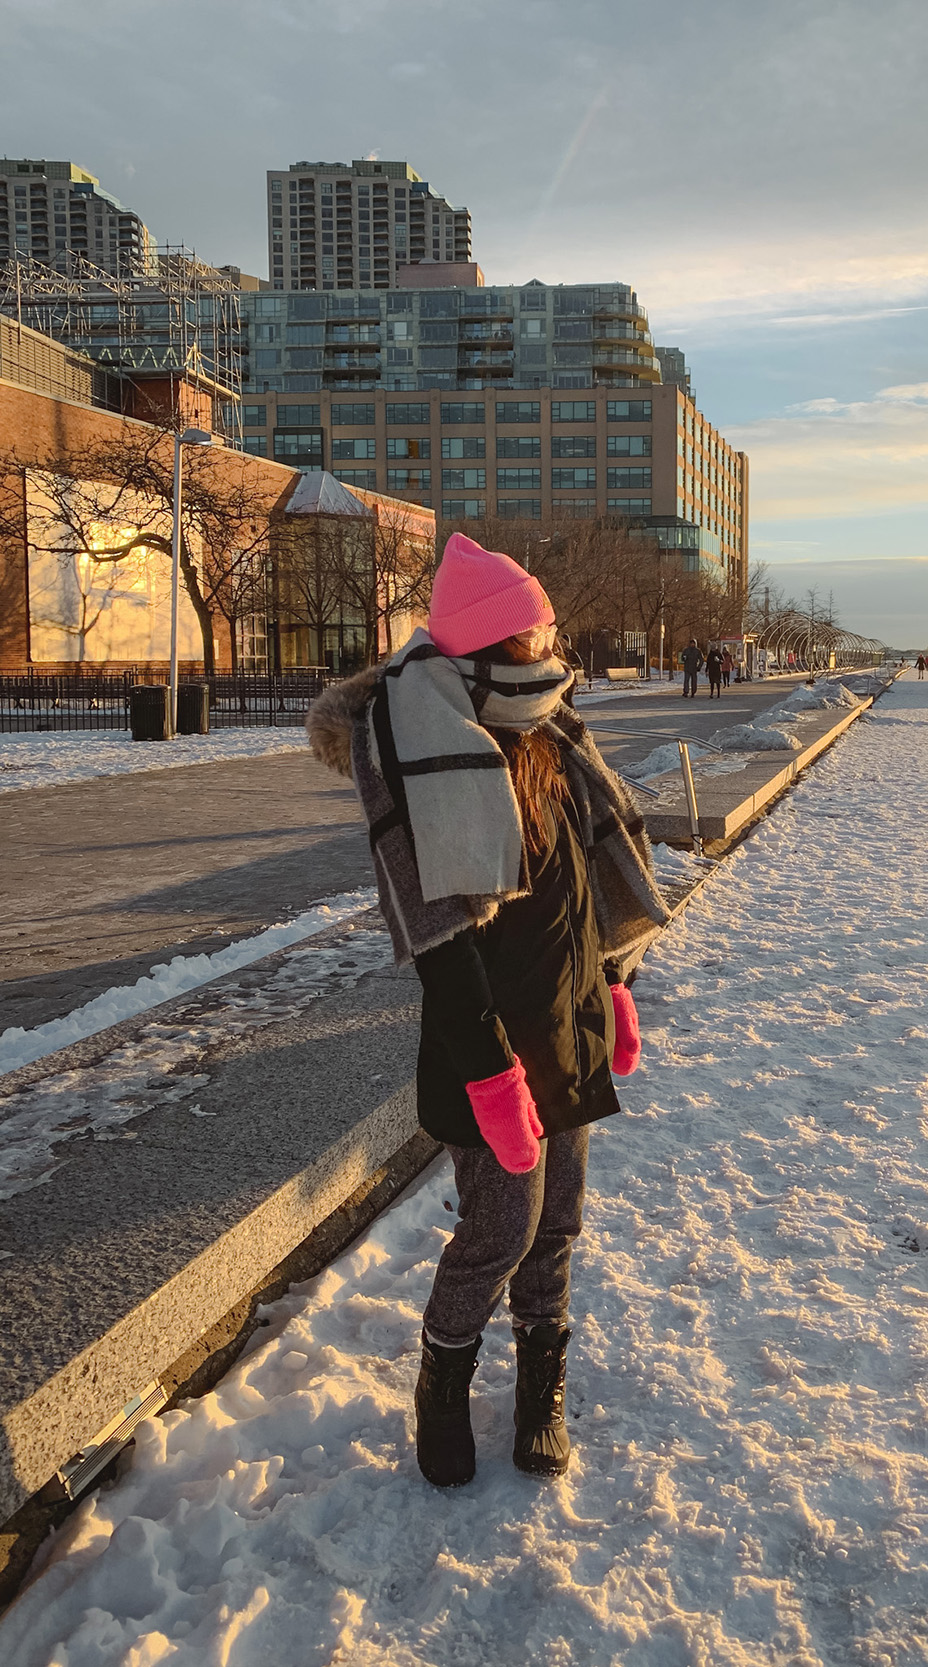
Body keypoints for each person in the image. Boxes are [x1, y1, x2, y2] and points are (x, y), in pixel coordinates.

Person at [307, 532, 670, 1489]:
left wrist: (617, 987)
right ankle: (442, 1376)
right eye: (537, 630)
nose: (554, 643)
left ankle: (542, 1383)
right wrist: (488, 1063)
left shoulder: (552, 732)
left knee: (557, 1226)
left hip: (570, 1015)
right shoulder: (423, 752)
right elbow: (441, 939)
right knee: (502, 1225)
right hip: (489, 1041)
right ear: (488, 651)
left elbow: (588, 886)